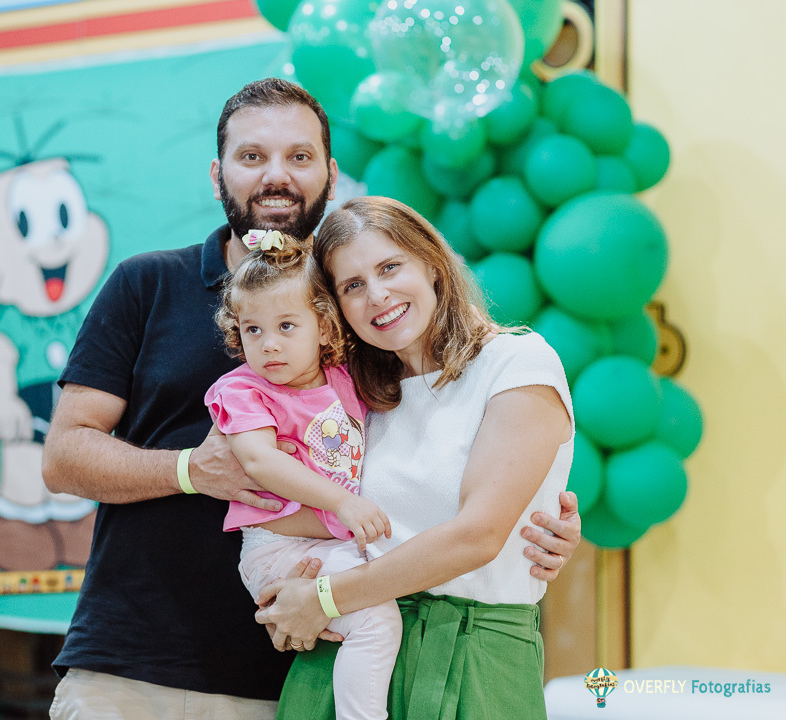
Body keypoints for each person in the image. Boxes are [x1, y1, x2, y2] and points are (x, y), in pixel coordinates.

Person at [41, 78, 581, 720]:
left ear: (330, 172)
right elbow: (64, 458)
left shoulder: (356, 331)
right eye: (251, 157)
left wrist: (538, 516)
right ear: (218, 176)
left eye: (299, 157)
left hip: (299, 665)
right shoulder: (146, 284)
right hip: (136, 667)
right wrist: (191, 470)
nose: (276, 176)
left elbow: (421, 479)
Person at [255, 196, 575, 720]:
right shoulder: (353, 395)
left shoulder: (516, 362)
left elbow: (478, 535)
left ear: (431, 262)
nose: (377, 295)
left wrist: (324, 598)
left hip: (471, 654)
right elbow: (296, 503)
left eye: (389, 267)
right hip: (347, 654)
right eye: (352, 286)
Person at [207, 230, 402, 720]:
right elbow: (261, 462)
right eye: (253, 330)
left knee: (380, 611)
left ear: (324, 325)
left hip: (333, 544)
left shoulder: (344, 378)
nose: (269, 345)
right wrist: (342, 503)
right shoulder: (243, 391)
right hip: (277, 550)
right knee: (377, 618)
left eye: (287, 325)